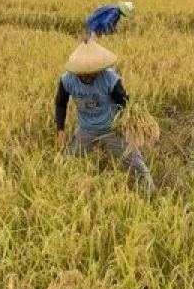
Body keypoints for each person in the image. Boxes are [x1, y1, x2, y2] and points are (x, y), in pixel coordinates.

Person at [54, 40, 155, 192]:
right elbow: (60, 103)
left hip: (111, 129)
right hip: (86, 130)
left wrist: (131, 125)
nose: (89, 76)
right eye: (85, 73)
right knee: (67, 161)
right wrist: (60, 129)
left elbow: (125, 103)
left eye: (93, 72)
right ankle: (63, 189)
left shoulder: (110, 79)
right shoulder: (67, 80)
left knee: (136, 163)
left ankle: (149, 191)